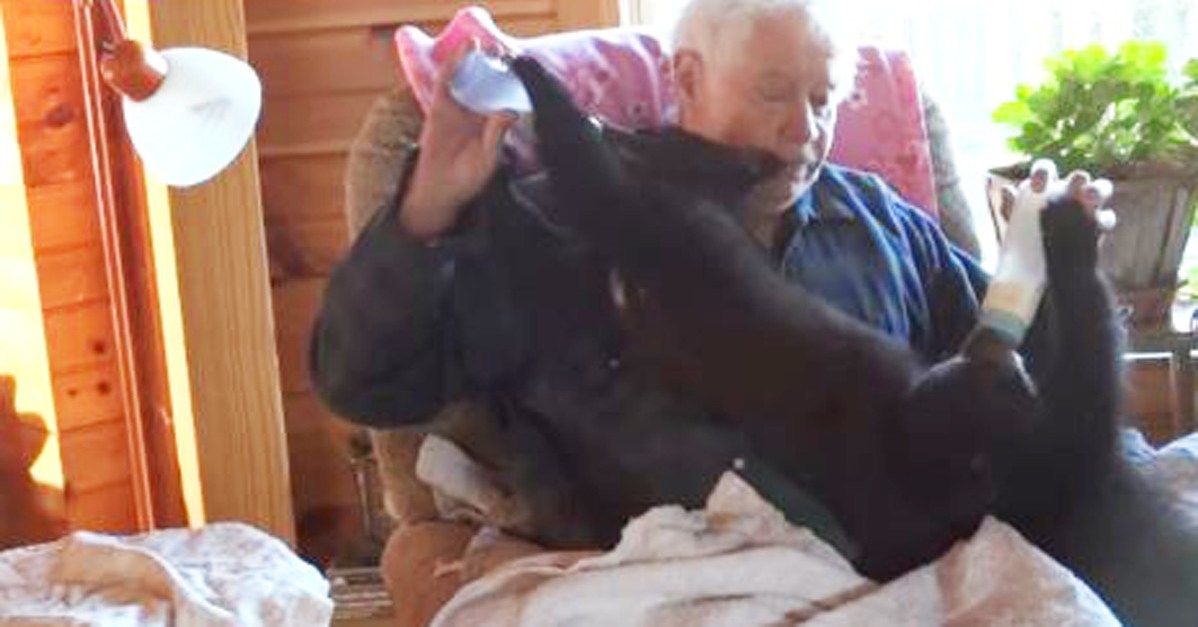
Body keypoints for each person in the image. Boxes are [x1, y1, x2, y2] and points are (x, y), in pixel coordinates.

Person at [312, 0, 1073, 614]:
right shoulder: (557, 223)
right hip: (652, 580)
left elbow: (1006, 391)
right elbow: (365, 382)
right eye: (773, 93)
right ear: (687, 77)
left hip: (899, 577)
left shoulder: (886, 226)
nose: (805, 130)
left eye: (823, 100)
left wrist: (1058, 262)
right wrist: (427, 208)